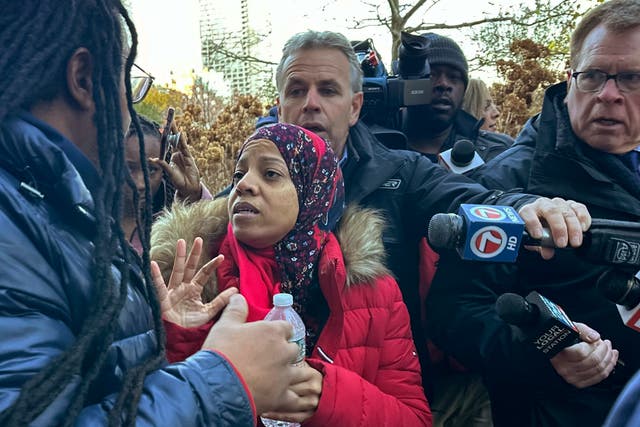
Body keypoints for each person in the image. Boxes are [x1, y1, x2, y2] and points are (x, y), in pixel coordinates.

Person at [0, 2, 305, 425]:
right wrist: (223, 379)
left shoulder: (43, 204)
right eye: (129, 84)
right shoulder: (15, 225)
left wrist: (156, 334)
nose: (128, 115)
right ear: (84, 79)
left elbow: (77, 377)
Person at [271, 29, 589, 400]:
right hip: (281, 400)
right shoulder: (249, 185)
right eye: (296, 90)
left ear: (355, 106)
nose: (311, 103)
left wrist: (526, 207)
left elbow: (468, 199)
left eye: (328, 90)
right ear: (279, 107)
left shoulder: (401, 172)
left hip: (387, 399)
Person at [426, 1, 640, 426]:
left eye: (632, 78)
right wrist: (545, 350)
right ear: (570, 79)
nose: (609, 93)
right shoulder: (508, 184)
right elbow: (454, 311)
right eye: (594, 76)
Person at [150, 123, 431, 426]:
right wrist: (183, 342)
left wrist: (328, 397)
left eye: (270, 174)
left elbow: (415, 419)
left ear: (314, 190)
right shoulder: (189, 281)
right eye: (238, 174)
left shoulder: (373, 289)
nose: (243, 185)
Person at [401, 33, 513, 163]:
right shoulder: (374, 148)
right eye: (431, 75)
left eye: (453, 77)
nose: (444, 84)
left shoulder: (501, 154)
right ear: (405, 84)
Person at [123, 114, 212, 255]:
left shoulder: (168, 226)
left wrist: (193, 196)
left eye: (151, 170)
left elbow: (214, 239)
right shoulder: (85, 218)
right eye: (128, 168)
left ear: (164, 171)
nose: (140, 184)